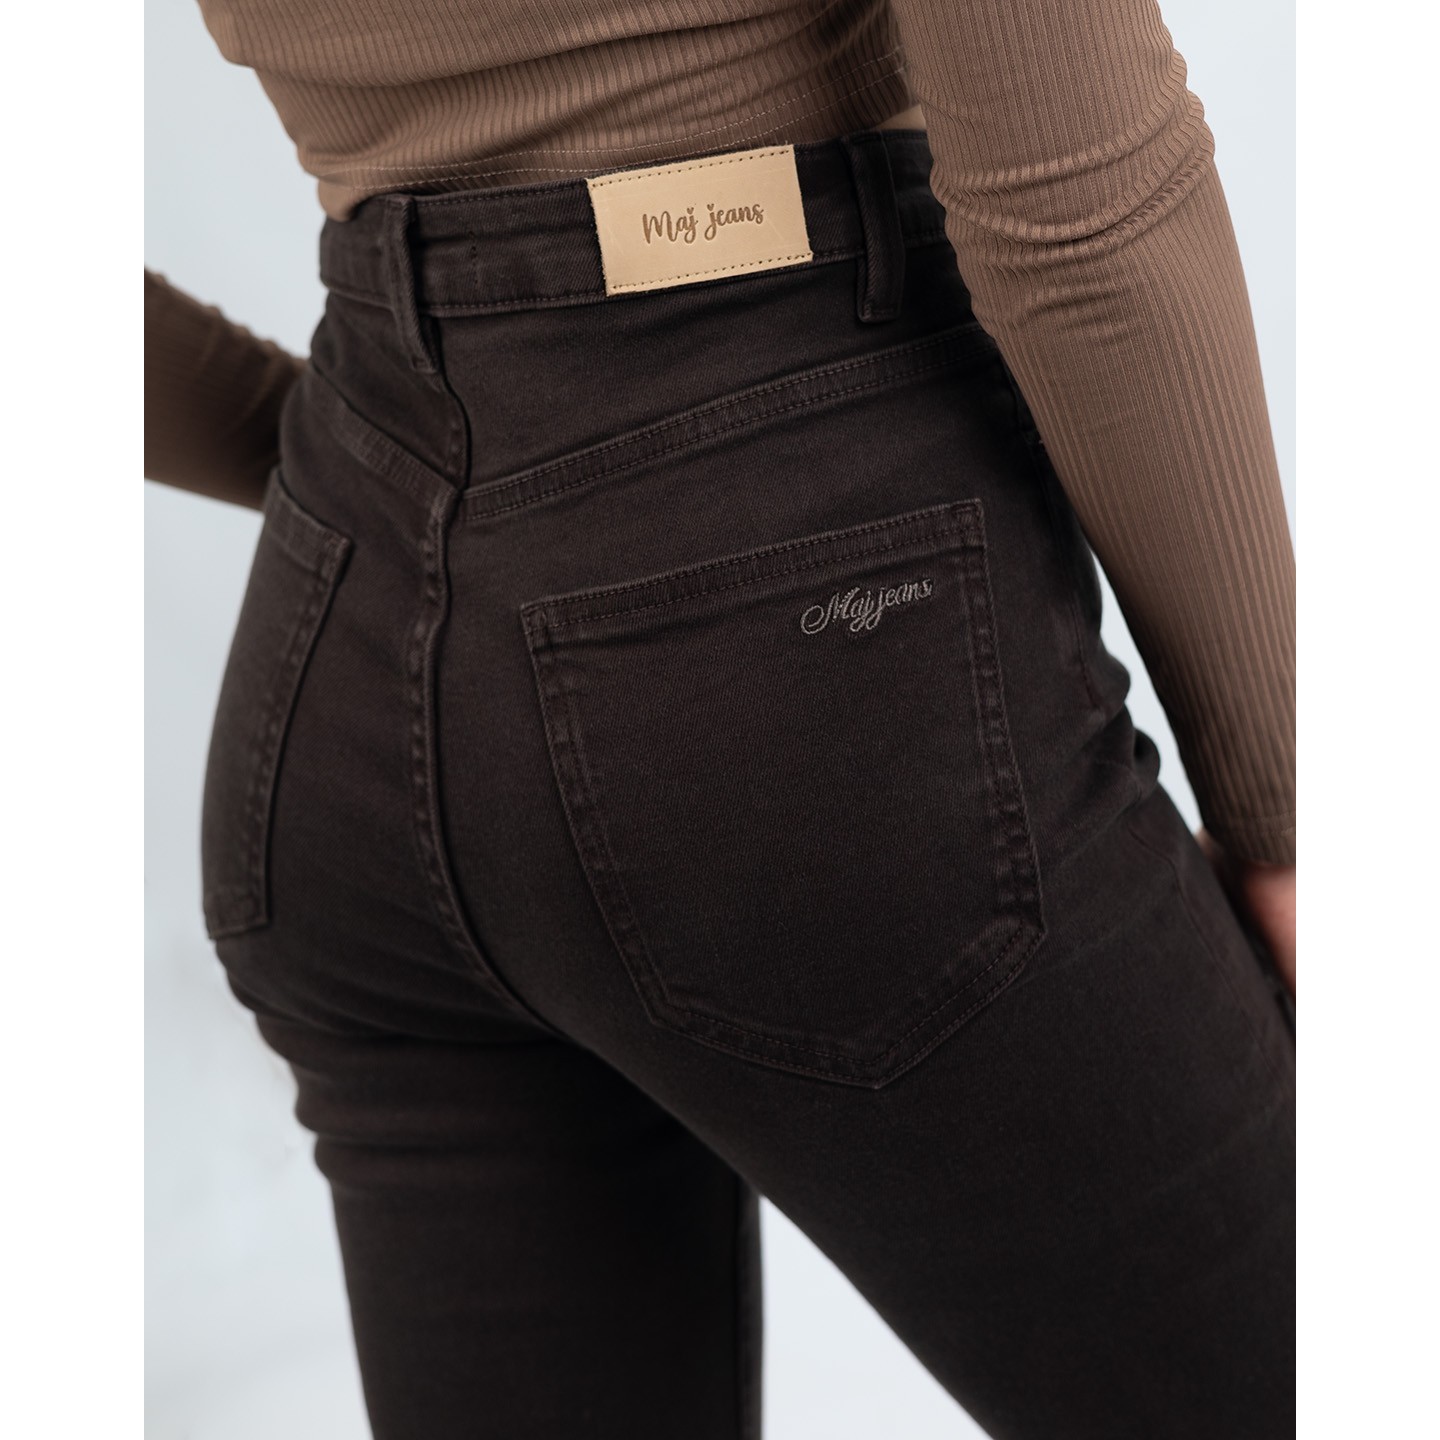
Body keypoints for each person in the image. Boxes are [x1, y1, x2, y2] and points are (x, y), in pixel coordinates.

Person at [145, 1, 1296, 1436]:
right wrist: (1286, 811)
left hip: (340, 677)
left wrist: (372, 488)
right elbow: (1080, 204)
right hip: (801, 647)